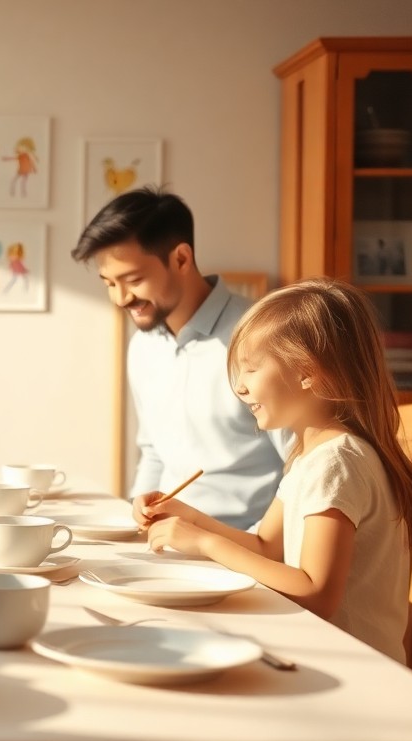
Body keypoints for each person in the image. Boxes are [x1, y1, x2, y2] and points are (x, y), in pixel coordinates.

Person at [134, 278, 412, 662]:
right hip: (324, 653)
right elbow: (267, 549)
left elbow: (316, 593)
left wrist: (204, 543)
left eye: (251, 369)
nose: (239, 387)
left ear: (308, 372)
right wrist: (186, 517)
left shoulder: (336, 463)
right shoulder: (311, 454)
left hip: (354, 669)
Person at [71, 186, 289, 529]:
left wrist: (255, 548)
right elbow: (154, 452)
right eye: (109, 283)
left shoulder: (260, 337)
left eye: (133, 280)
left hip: (244, 550)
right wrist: (137, 520)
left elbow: (301, 462)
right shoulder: (144, 347)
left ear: (182, 259)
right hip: (168, 545)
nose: (120, 298)